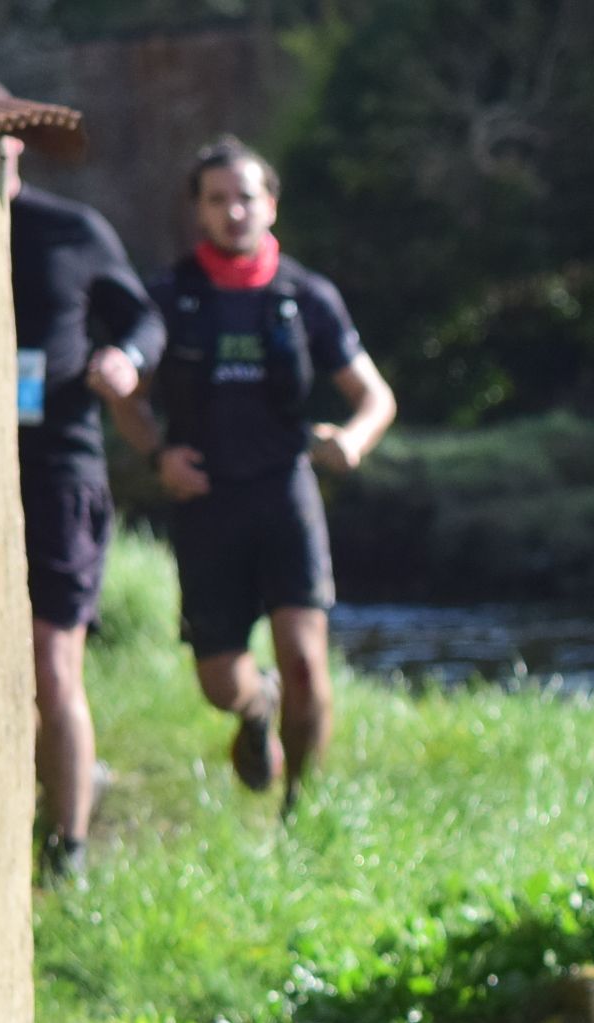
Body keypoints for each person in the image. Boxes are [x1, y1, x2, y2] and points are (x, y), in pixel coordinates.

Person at [137, 136, 396, 810]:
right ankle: (257, 707)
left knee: (306, 662)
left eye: (246, 198)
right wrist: (159, 456)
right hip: (205, 503)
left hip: (285, 495)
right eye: (217, 200)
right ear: (198, 211)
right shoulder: (167, 296)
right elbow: (127, 395)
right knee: (220, 683)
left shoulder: (307, 296)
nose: (234, 212)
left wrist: (353, 440)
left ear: (271, 206)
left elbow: (375, 397)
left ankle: (301, 810)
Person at [0, 75, 162, 881]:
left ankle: (68, 851)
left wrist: (127, 359)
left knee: (53, 666)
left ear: (16, 142)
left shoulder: (71, 232)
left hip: (57, 471)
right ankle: (5, 834)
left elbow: (143, 316)